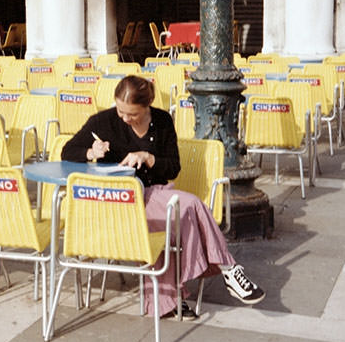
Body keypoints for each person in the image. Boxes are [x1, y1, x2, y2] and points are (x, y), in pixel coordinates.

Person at [61, 75, 265, 317]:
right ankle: (228, 269)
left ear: (146, 106)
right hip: (116, 202)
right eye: (120, 111)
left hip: (153, 195)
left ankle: (172, 299)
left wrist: (148, 158)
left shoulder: (162, 121)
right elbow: (67, 151)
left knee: (181, 211)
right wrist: (90, 151)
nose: (125, 118)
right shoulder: (103, 121)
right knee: (187, 207)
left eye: (132, 114)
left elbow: (172, 168)